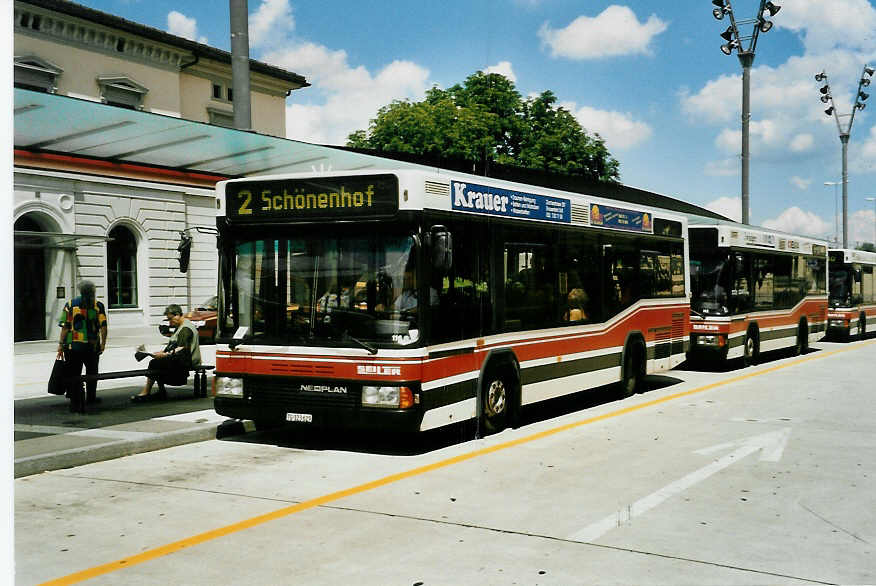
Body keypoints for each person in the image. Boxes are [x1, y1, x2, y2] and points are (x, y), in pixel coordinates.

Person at [132, 304, 201, 402]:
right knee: (157, 361)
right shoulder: (181, 326)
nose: (170, 322)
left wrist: (165, 354)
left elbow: (182, 348)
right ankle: (160, 391)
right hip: (181, 358)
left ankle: (147, 392)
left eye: (170, 319)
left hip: (186, 360)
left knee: (154, 363)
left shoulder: (186, 328)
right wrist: (161, 352)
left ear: (177, 315)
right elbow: (176, 346)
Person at [56, 280, 107, 411]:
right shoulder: (98, 306)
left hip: (73, 347)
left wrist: (61, 345)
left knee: (74, 373)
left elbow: (65, 327)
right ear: (93, 292)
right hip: (91, 346)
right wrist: (103, 344)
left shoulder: (71, 304)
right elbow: (103, 327)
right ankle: (91, 397)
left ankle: (75, 400)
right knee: (92, 372)